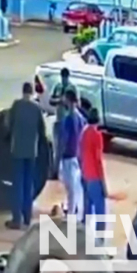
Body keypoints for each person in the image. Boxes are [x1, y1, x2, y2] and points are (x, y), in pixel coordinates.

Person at [4, 82, 46, 230]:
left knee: (18, 185)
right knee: (29, 184)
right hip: (31, 152)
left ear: (22, 92)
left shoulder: (16, 106)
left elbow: (7, 126)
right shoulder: (36, 108)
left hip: (17, 150)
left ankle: (16, 219)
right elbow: (42, 131)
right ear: (32, 92)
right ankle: (27, 218)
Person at [80, 108, 107, 244]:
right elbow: (98, 160)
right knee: (101, 212)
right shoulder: (97, 136)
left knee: (87, 210)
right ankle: (99, 242)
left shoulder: (84, 133)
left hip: (85, 175)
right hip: (95, 178)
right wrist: (104, 183)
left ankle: (82, 237)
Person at [60, 89, 86, 219]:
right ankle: (73, 208)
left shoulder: (68, 118)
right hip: (77, 155)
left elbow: (64, 138)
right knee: (74, 185)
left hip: (68, 155)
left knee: (69, 186)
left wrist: (58, 154)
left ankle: (71, 212)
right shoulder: (81, 118)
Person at [50, 68, 79, 177]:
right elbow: (51, 100)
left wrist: (66, 102)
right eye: (62, 77)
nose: (64, 80)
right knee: (57, 147)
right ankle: (55, 172)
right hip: (58, 118)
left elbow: (76, 103)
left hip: (67, 120)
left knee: (68, 147)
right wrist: (59, 101)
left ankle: (68, 172)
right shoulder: (57, 86)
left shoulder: (72, 88)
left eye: (65, 77)